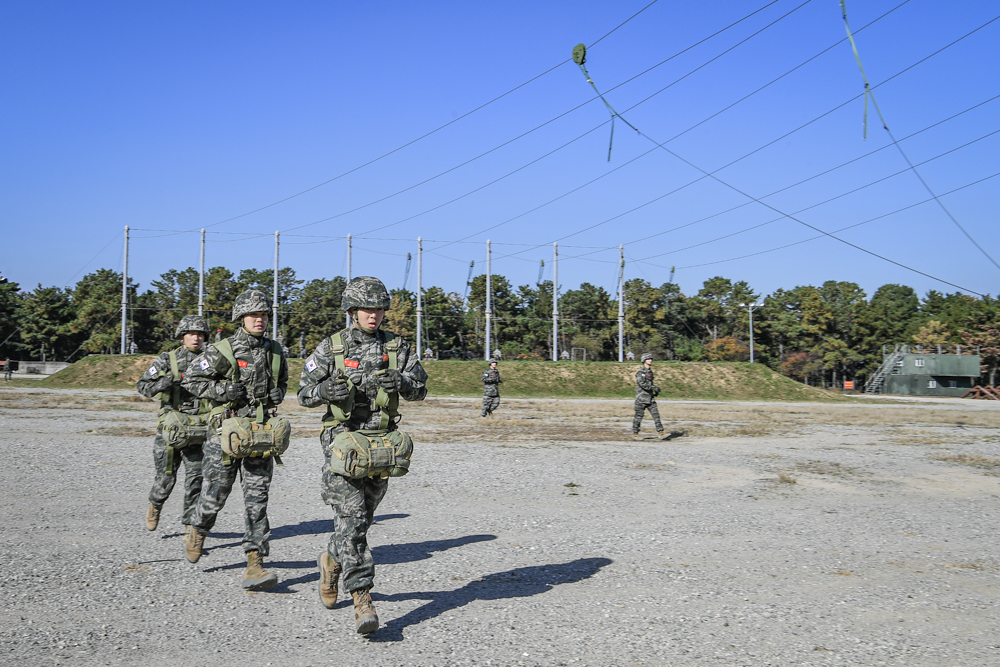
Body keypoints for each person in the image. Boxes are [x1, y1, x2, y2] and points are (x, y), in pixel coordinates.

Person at [297, 276, 427, 635]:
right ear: (352, 311)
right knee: (352, 516)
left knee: (360, 520)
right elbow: (303, 393)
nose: (375, 315)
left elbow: (421, 389)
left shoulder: (399, 347)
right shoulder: (332, 347)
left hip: (381, 446)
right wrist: (324, 388)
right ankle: (362, 598)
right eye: (368, 308)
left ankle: (331, 564)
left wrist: (402, 383)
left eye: (380, 308)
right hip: (343, 443)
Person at [181, 289, 289, 590]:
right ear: (241, 318)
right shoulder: (223, 350)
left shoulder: (276, 351)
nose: (260, 319)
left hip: (259, 437)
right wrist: (222, 392)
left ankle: (255, 562)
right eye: (254, 315)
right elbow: (190, 379)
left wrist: (277, 394)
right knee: (215, 496)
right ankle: (199, 528)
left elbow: (281, 381)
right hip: (224, 437)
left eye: (264, 314)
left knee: (258, 502)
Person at [135, 315, 212, 533]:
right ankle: (156, 503)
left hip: (198, 428)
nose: (195, 338)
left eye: (199, 334)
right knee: (165, 477)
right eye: (190, 334)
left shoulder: (212, 358)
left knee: (196, 479)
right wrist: (163, 382)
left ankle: (190, 527)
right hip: (171, 429)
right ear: (182, 337)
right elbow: (143, 387)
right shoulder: (167, 359)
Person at [633, 352, 664, 440]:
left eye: (651, 359)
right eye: (648, 359)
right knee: (638, 417)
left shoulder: (650, 372)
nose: (650, 360)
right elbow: (643, 384)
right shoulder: (640, 373)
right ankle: (635, 433)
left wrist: (655, 391)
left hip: (650, 398)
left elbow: (650, 384)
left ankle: (661, 432)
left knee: (656, 416)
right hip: (641, 399)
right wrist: (654, 388)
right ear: (644, 360)